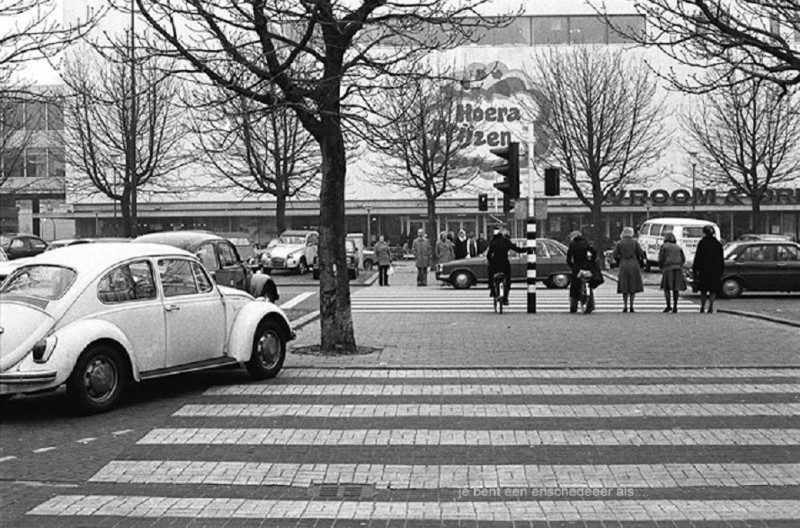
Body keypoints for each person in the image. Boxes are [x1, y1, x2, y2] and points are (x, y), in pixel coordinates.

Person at [486, 228, 525, 305]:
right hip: (504, 264)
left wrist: (490, 262)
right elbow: (517, 249)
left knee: (491, 276)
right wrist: (527, 249)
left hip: (495, 264)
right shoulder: (507, 241)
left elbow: (488, 255)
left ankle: (492, 291)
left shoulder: (493, 242)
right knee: (507, 279)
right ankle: (506, 298)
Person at [612, 226, 645, 313]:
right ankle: (631, 306)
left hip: (623, 264)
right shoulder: (635, 243)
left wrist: (619, 260)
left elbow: (614, 255)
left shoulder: (619, 243)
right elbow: (641, 253)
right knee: (632, 286)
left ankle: (625, 306)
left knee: (624, 286)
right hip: (634, 264)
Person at [692, 225, 724, 313]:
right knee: (713, 290)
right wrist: (721, 270)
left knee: (703, 290)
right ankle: (711, 306)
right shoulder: (717, 244)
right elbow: (721, 258)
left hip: (704, 270)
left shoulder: (702, 243)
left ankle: (702, 307)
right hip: (715, 270)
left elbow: (698, 257)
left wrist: (695, 269)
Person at [566, 230, 599, 313]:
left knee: (574, 286)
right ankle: (590, 305)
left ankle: (573, 306)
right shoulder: (585, 243)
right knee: (588, 284)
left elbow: (569, 258)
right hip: (586, 265)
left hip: (577, 266)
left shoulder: (572, 244)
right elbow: (594, 252)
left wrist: (572, 265)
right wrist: (591, 261)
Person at [658, 231, 687, 313]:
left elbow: (661, 257)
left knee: (666, 288)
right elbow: (683, 258)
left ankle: (668, 305)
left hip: (668, 268)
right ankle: (675, 306)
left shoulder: (664, 246)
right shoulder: (678, 247)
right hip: (678, 269)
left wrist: (661, 266)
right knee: (676, 288)